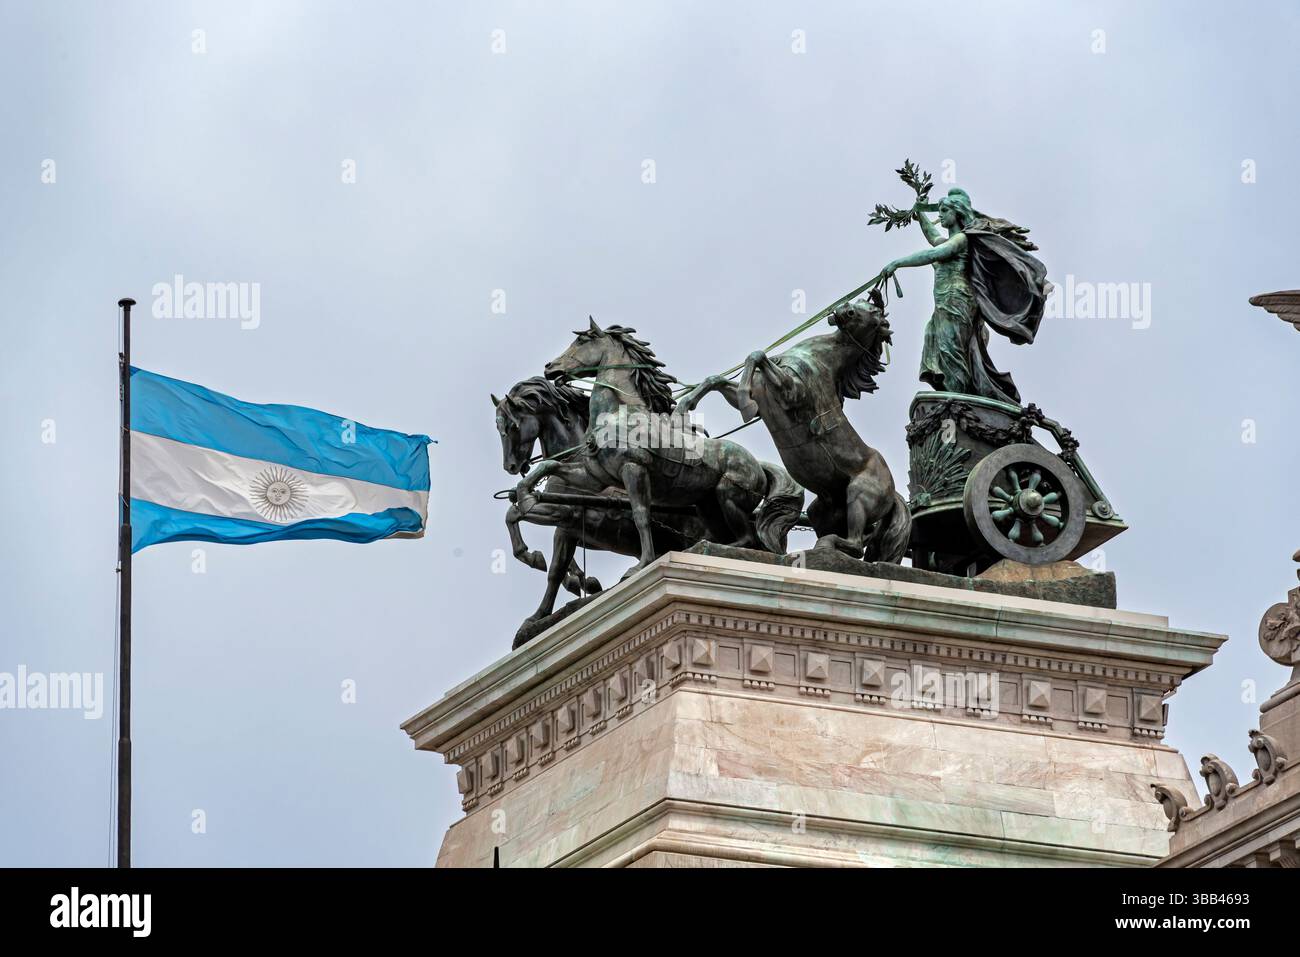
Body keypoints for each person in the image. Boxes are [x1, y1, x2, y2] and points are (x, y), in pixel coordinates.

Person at [879, 187, 1049, 405]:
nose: (939, 216)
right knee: (943, 347)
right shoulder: (949, 240)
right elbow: (933, 237)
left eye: (943, 210)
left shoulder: (961, 240)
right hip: (945, 304)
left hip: (957, 300)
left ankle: (959, 405)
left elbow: (935, 253)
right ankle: (958, 399)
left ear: (956, 213)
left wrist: (897, 263)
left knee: (952, 352)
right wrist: (919, 211)